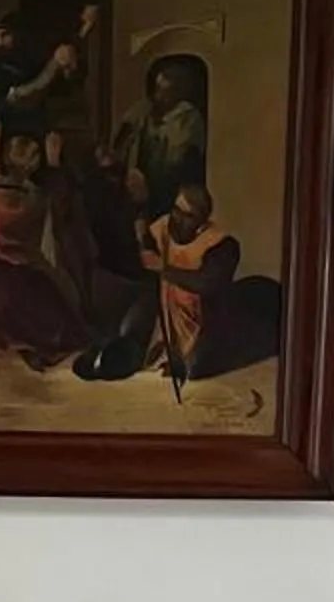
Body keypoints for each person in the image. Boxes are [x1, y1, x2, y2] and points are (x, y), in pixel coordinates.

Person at [0, 134, 88, 366]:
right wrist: (54, 164)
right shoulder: (34, 198)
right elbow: (60, 204)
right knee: (54, 319)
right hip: (18, 274)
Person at [142, 184, 282, 380]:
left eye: (187, 215)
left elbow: (207, 283)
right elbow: (144, 250)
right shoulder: (163, 228)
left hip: (210, 320)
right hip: (173, 320)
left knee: (196, 368)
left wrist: (164, 270)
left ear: (200, 222)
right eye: (176, 210)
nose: (177, 218)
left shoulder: (221, 245)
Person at [110, 57, 208, 221]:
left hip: (171, 188)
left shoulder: (188, 117)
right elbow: (123, 138)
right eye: (158, 89)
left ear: (176, 93)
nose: (159, 96)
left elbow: (179, 156)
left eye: (165, 91)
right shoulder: (144, 109)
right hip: (141, 190)